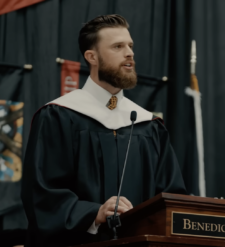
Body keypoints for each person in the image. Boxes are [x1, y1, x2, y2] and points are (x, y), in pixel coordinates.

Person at [21, 14, 187, 247]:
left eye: (130, 46)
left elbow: (171, 196)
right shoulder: (59, 115)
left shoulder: (148, 125)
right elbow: (42, 194)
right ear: (92, 57)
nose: (130, 53)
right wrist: (93, 213)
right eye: (118, 46)